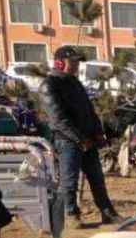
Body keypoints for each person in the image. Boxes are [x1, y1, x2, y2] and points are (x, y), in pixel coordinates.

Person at [39, 45, 122, 228]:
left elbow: (89, 111)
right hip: (67, 141)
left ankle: (107, 212)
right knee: (69, 181)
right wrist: (79, 139)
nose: (76, 65)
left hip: (88, 140)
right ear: (59, 63)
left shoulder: (75, 83)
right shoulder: (49, 85)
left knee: (97, 179)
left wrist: (98, 133)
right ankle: (71, 214)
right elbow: (58, 119)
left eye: (77, 62)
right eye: (73, 61)